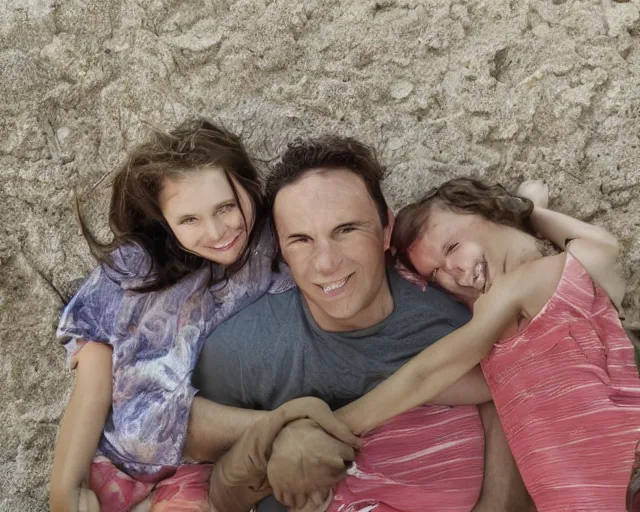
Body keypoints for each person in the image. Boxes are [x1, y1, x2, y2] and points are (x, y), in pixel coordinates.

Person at [190, 137, 535, 512]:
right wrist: (277, 432)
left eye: (346, 230)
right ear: (281, 252)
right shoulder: (248, 344)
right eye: (301, 240)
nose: (325, 263)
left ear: (385, 229)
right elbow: (184, 434)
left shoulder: (454, 314)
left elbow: (518, 393)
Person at [50, 119, 356, 512]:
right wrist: (64, 488)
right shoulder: (135, 267)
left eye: (226, 207)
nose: (216, 232)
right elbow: (92, 383)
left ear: (248, 185)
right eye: (189, 220)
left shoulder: (274, 246)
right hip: (118, 462)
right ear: (164, 219)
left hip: (205, 469)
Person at [344, 177, 640, 510]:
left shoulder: (524, 286)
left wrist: (336, 426)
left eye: (453, 247)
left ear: (488, 210)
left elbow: (428, 375)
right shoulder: (503, 317)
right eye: (436, 273)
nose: (454, 273)